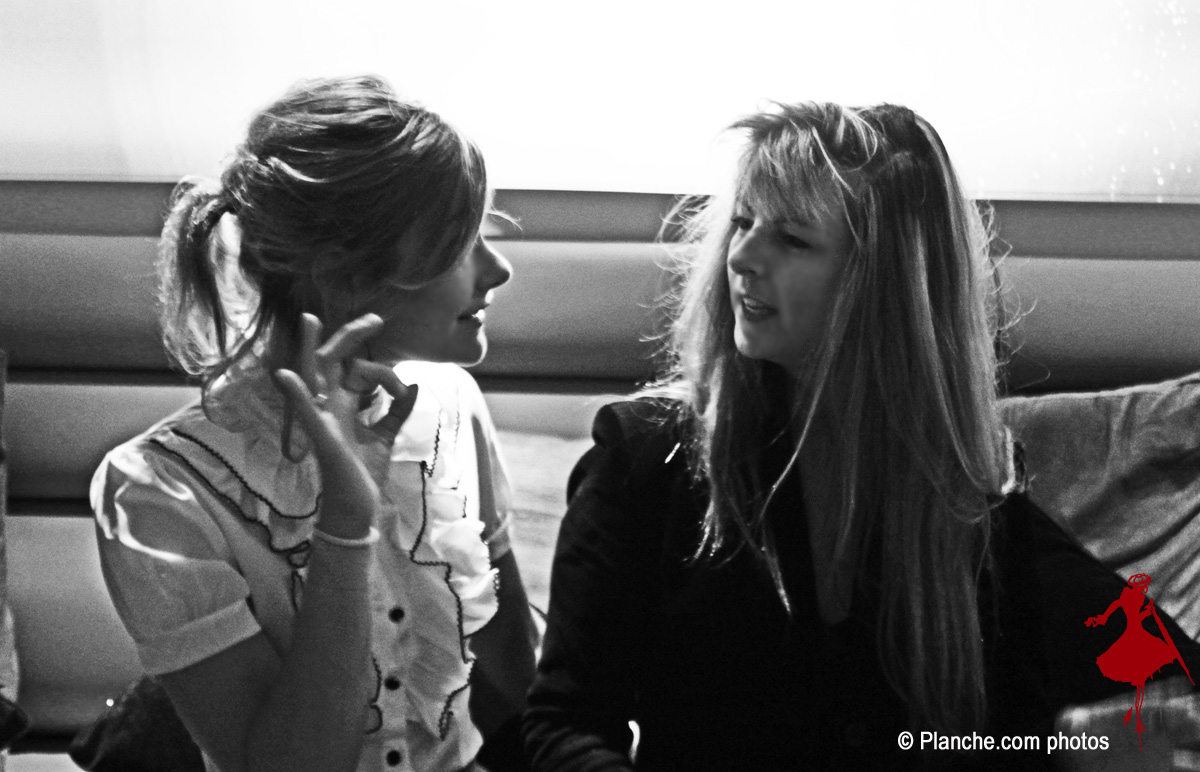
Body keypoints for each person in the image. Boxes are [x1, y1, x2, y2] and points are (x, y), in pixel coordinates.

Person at [522, 102, 1200, 770]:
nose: (743, 256)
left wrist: (1070, 745)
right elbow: (563, 727)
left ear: (882, 283)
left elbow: (1115, 697)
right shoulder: (648, 457)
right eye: (743, 223)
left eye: (792, 239)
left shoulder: (965, 494)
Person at [90, 75, 536, 772]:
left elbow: (516, 685)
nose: (499, 269)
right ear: (343, 275)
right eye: (459, 245)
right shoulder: (157, 490)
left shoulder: (451, 402)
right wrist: (345, 525)